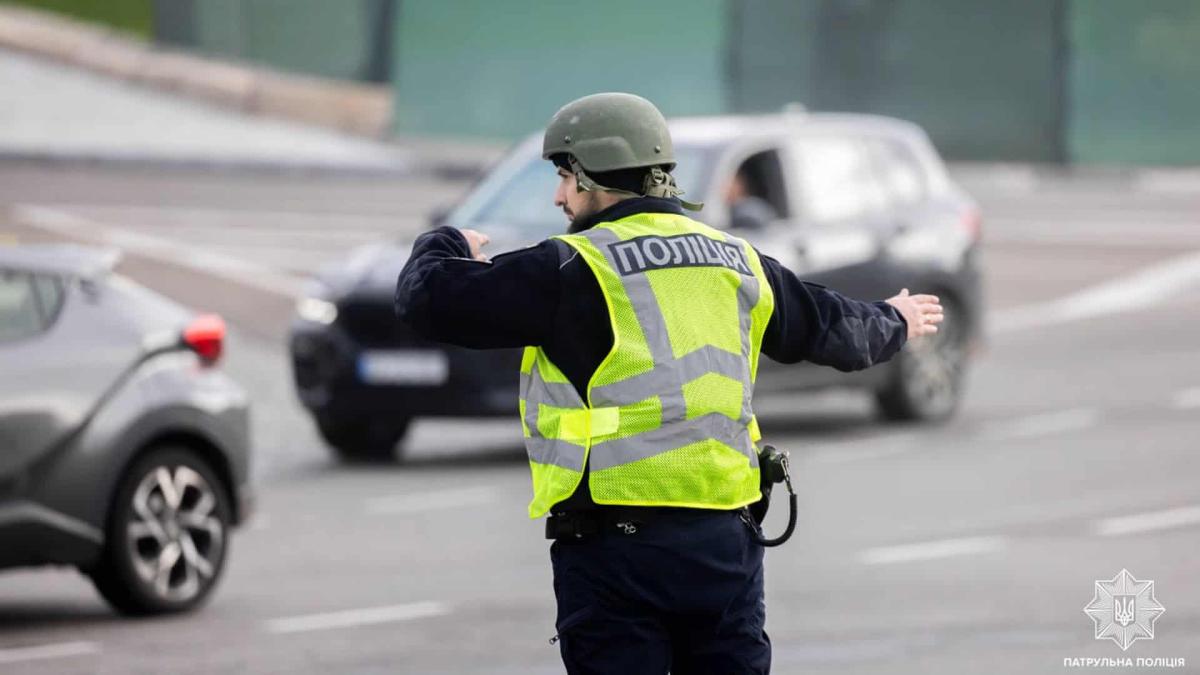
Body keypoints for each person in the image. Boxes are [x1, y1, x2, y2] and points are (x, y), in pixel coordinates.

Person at [395, 92, 942, 674]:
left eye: (562, 178)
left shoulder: (571, 267)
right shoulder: (738, 259)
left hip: (616, 549)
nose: (558, 196)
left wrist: (448, 244)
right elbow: (832, 330)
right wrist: (895, 320)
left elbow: (425, 300)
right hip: (723, 546)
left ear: (589, 175)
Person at [725, 165, 779, 231]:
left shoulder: (751, 208)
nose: (725, 188)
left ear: (740, 185)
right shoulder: (731, 208)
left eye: (731, 183)